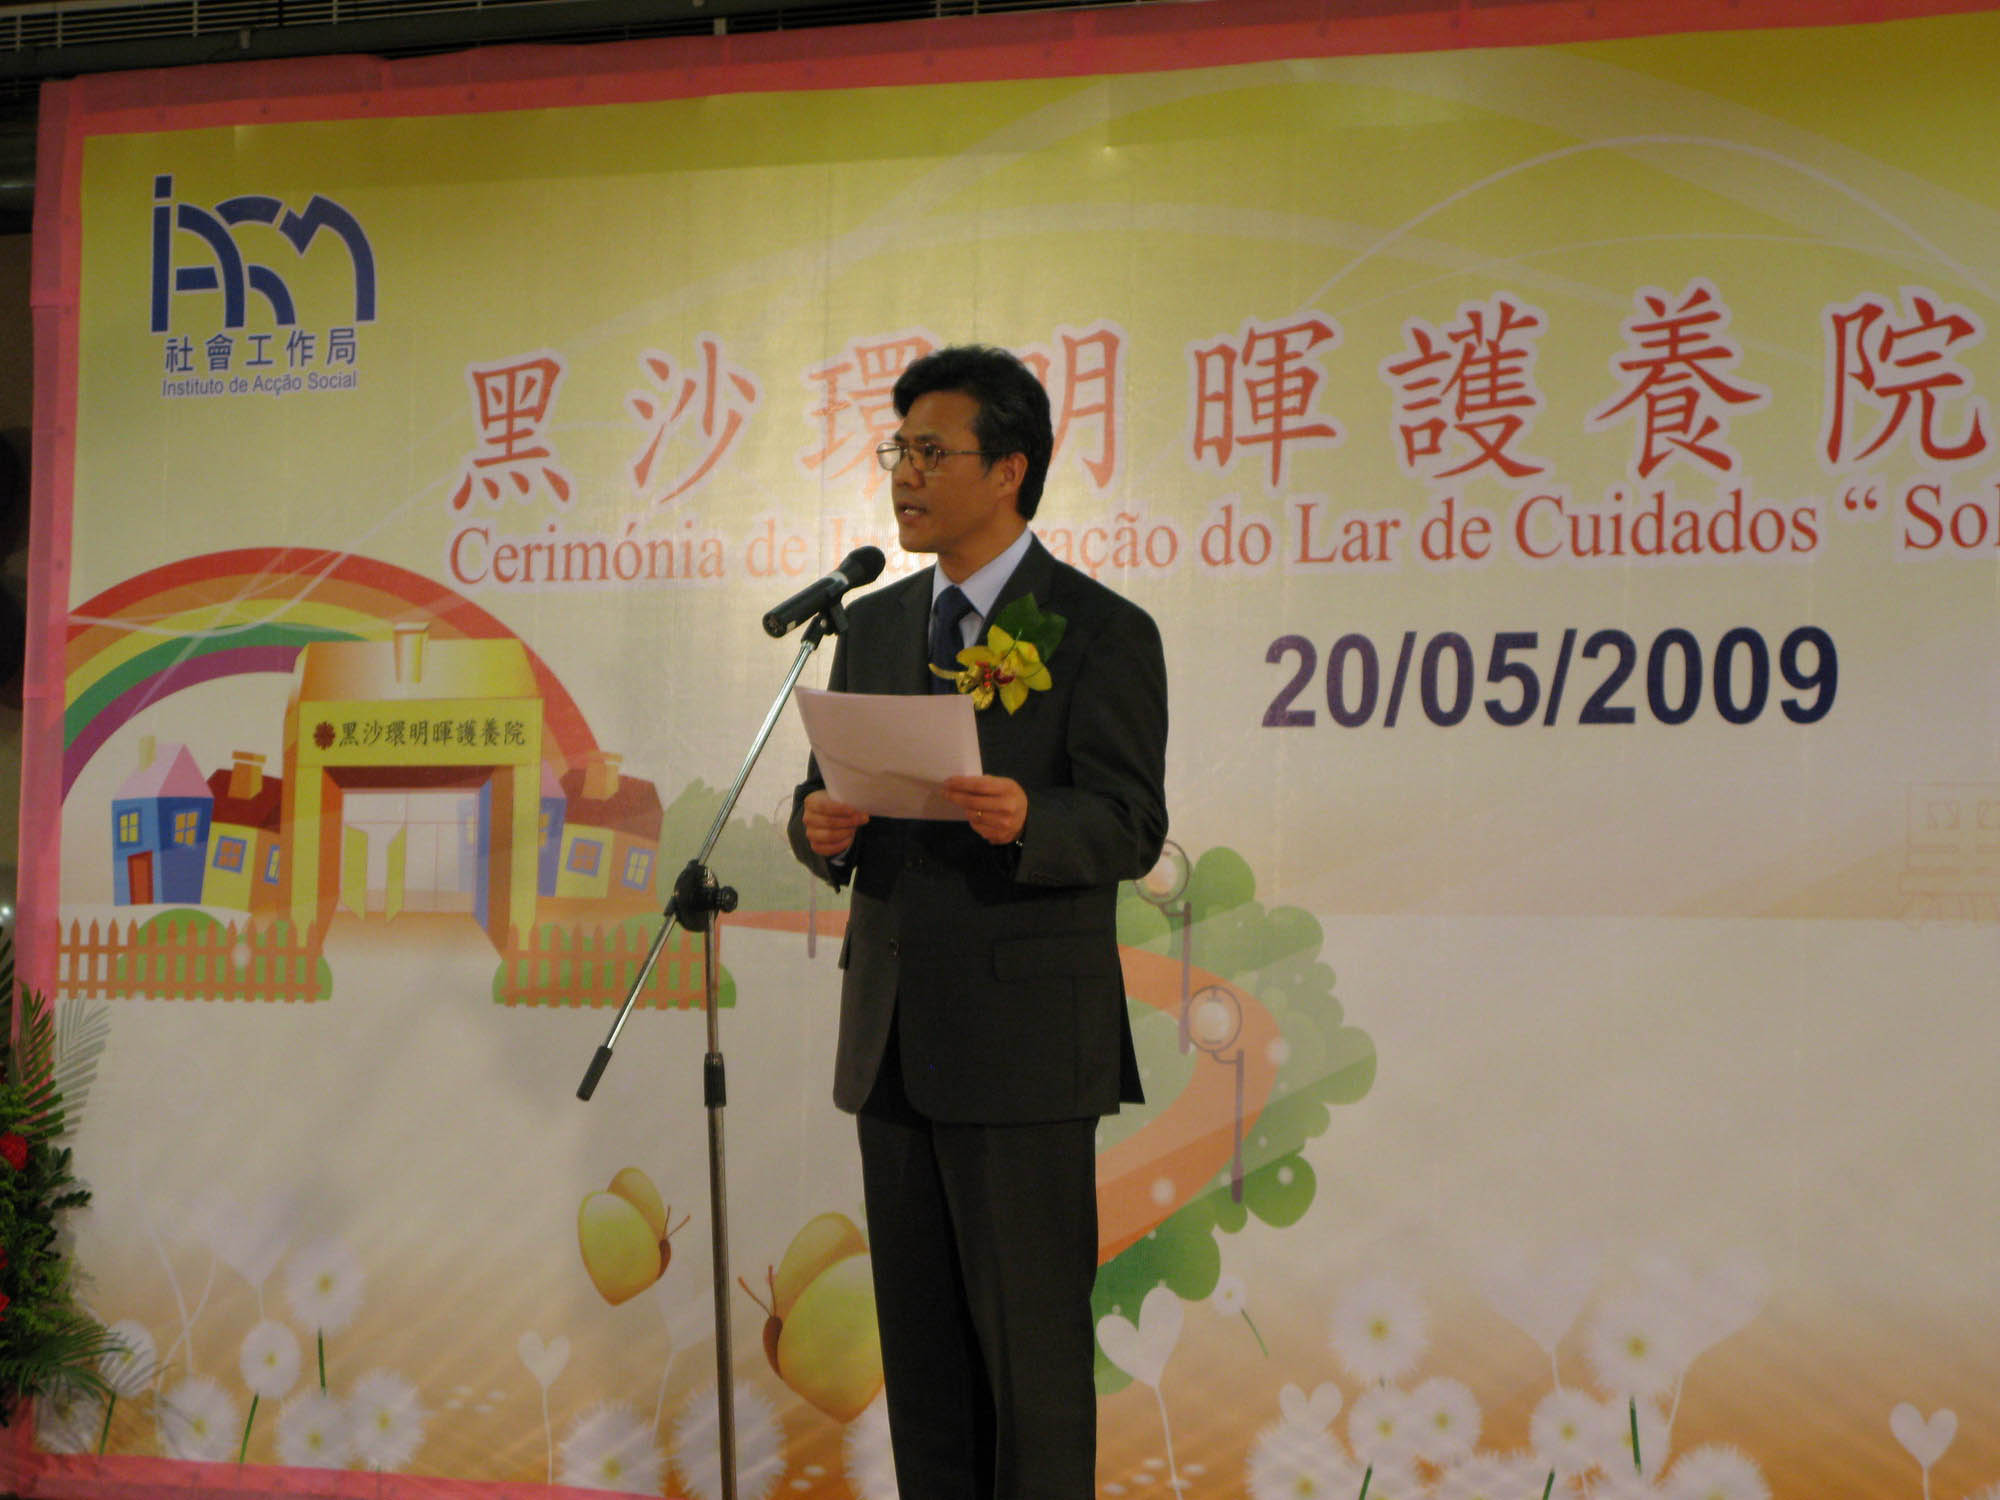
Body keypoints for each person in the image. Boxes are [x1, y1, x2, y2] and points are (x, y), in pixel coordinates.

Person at [788, 344, 1169, 1499]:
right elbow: (827, 793)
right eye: (897, 450)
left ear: (1007, 470)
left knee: (1028, 1368)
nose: (903, 474)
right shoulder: (872, 624)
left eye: (930, 451)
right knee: (925, 1370)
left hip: (1021, 1053)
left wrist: (1027, 818)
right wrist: (820, 830)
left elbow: (1128, 823)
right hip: (892, 1036)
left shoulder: (1098, 629)